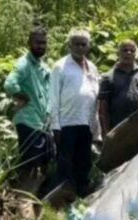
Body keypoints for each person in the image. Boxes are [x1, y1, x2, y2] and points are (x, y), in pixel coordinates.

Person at [50, 29, 100, 197]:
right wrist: (55, 126)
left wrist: (96, 126)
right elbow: (53, 98)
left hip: (86, 122)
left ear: (88, 46)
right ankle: (64, 194)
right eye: (76, 44)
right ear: (69, 45)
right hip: (66, 122)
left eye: (83, 44)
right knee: (65, 161)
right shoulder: (60, 66)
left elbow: (94, 97)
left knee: (84, 159)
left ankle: (82, 191)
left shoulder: (92, 67)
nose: (80, 47)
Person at [4, 26, 52, 185]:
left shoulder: (42, 65)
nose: (41, 46)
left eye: (44, 43)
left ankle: (37, 200)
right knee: (29, 164)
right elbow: (10, 84)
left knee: (44, 160)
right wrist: (23, 96)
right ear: (29, 42)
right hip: (28, 120)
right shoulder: (24, 63)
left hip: (41, 123)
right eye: (38, 42)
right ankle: (23, 198)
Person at [99, 40, 138, 136]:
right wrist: (105, 132)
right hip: (118, 128)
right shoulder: (107, 77)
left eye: (132, 50)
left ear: (136, 54)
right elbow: (103, 109)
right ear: (118, 53)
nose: (128, 53)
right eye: (125, 50)